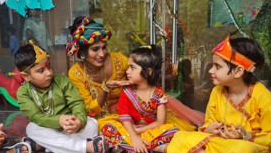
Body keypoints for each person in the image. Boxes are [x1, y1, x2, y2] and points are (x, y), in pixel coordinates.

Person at [166, 35, 271, 153]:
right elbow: (208, 123)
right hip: (222, 142)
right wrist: (209, 130)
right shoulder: (217, 91)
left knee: (235, 150)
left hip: (250, 146)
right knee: (181, 137)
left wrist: (246, 136)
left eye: (217, 66)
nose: (210, 70)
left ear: (238, 71)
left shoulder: (264, 98)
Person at [67, 16, 205, 134]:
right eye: (95, 49)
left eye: (104, 47)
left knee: (166, 102)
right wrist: (105, 89)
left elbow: (142, 75)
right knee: (109, 127)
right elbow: (91, 109)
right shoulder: (76, 73)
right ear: (82, 52)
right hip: (106, 115)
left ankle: (204, 127)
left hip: (134, 105)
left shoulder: (119, 59)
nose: (102, 54)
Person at [14, 41, 107, 153]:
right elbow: (36, 117)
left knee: (92, 125)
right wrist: (59, 121)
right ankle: (85, 146)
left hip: (71, 127)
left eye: (49, 67)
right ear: (26, 76)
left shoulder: (62, 81)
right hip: (48, 128)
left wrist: (78, 122)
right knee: (31, 128)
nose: (49, 73)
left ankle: (44, 145)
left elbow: (77, 103)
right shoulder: (23, 92)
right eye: (41, 71)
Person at [101, 45, 180, 153]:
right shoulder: (126, 91)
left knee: (173, 131)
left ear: (148, 72)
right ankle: (153, 147)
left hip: (151, 130)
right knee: (108, 128)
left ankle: (126, 146)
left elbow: (160, 121)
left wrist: (139, 131)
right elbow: (125, 118)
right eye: (128, 67)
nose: (127, 71)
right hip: (129, 129)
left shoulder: (159, 93)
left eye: (132, 68)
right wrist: (134, 136)